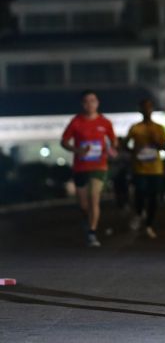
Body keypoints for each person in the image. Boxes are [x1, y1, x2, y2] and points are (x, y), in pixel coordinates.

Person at [61, 90, 117, 247]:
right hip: (80, 167)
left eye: (93, 100)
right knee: (84, 205)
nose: (90, 104)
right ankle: (87, 221)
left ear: (97, 103)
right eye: (86, 101)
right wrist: (77, 150)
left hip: (99, 166)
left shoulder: (105, 122)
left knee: (94, 197)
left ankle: (92, 232)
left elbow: (113, 142)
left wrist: (111, 149)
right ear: (82, 104)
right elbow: (64, 141)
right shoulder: (76, 122)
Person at [126, 99, 165, 239]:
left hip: (156, 169)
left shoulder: (159, 128)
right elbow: (125, 144)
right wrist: (133, 151)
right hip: (140, 168)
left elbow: (164, 147)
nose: (146, 110)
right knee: (140, 193)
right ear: (140, 110)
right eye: (144, 108)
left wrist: (155, 140)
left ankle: (149, 224)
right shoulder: (135, 128)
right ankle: (139, 213)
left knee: (154, 197)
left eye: (149, 107)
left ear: (152, 109)